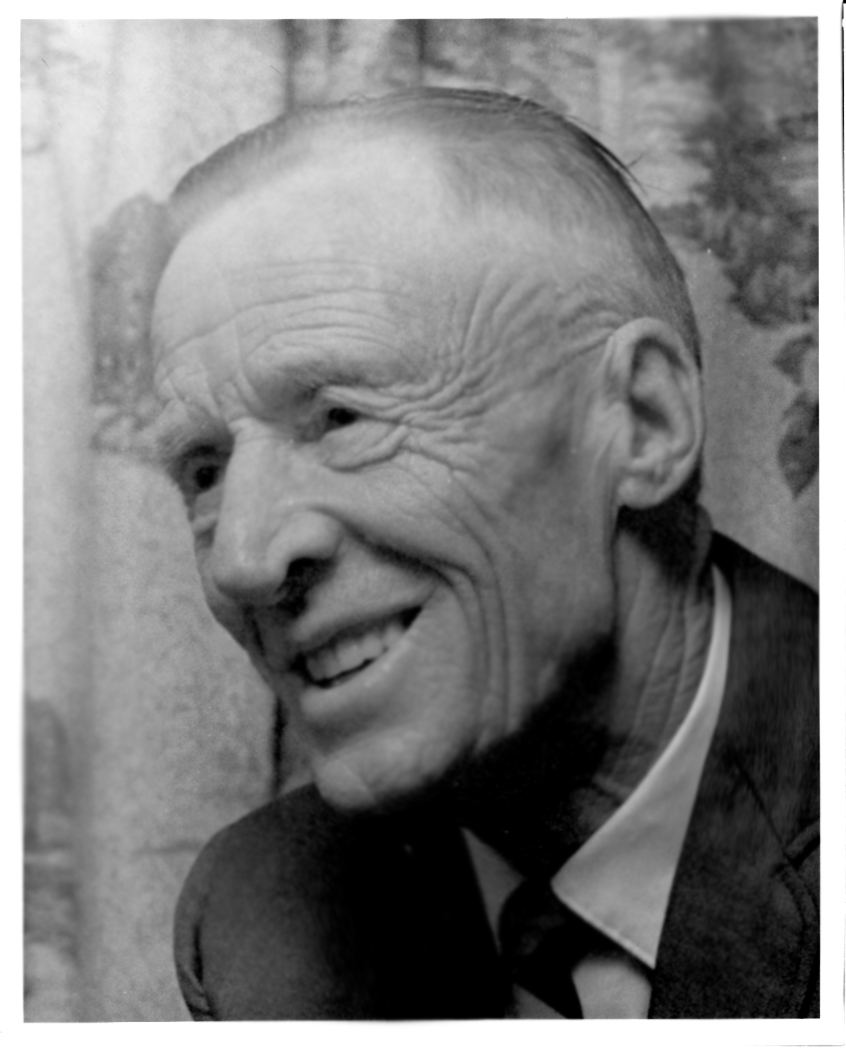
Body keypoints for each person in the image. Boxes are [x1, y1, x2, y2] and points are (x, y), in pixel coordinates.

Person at [150, 89, 819, 1020]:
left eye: (342, 418)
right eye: (205, 469)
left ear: (642, 423)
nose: (243, 560)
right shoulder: (256, 918)